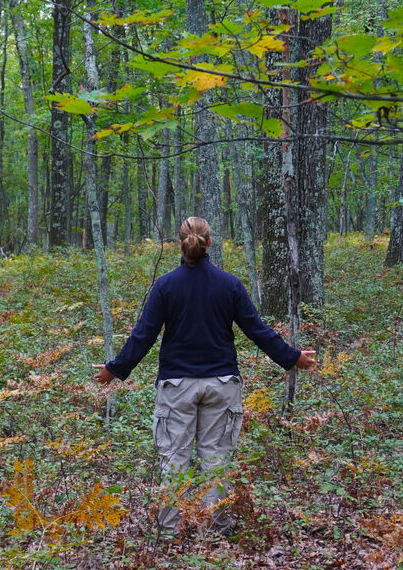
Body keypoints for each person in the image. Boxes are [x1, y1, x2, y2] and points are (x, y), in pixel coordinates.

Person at [92, 216, 316, 538]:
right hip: (222, 385)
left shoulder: (165, 285)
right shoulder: (229, 284)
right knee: (216, 460)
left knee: (174, 460)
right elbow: (257, 330)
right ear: (209, 242)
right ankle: (217, 531)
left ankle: (169, 535)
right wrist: (293, 357)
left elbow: (144, 335)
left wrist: (114, 369)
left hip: (176, 387)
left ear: (179, 244)